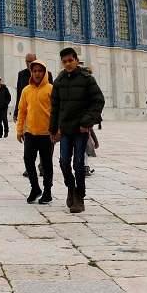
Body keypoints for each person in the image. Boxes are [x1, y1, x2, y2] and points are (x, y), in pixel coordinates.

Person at [49, 48, 104, 214]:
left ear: (76, 60)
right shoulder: (59, 81)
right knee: (63, 162)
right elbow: (55, 107)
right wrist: (53, 129)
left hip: (80, 129)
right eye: (64, 62)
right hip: (65, 129)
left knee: (78, 164)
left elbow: (98, 102)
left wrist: (86, 122)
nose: (67, 64)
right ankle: (71, 188)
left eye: (70, 61)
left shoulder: (87, 79)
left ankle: (79, 196)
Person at [16, 59, 54, 204]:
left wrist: (56, 131)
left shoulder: (51, 89)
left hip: (46, 133)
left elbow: (56, 111)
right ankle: (35, 188)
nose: (37, 73)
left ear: (45, 72)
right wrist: (20, 130)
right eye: (35, 71)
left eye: (40, 71)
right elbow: (22, 111)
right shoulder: (26, 90)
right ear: (31, 73)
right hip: (30, 133)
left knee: (46, 163)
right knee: (28, 160)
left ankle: (47, 191)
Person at [14, 53, 35, 122]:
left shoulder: (46, 74)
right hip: (26, 111)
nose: (29, 64)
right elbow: (19, 94)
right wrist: (16, 112)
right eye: (27, 62)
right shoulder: (22, 74)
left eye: (31, 62)